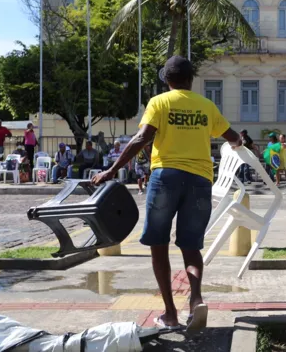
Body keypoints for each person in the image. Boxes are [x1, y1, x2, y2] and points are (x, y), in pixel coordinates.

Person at [92, 56, 242, 332]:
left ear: (167, 79)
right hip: (199, 180)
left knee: (159, 244)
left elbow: (141, 138)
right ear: (191, 78)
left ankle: (171, 313)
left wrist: (111, 170)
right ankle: (196, 299)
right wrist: (239, 142)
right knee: (191, 246)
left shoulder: (159, 103)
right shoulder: (207, 106)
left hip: (166, 178)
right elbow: (232, 136)